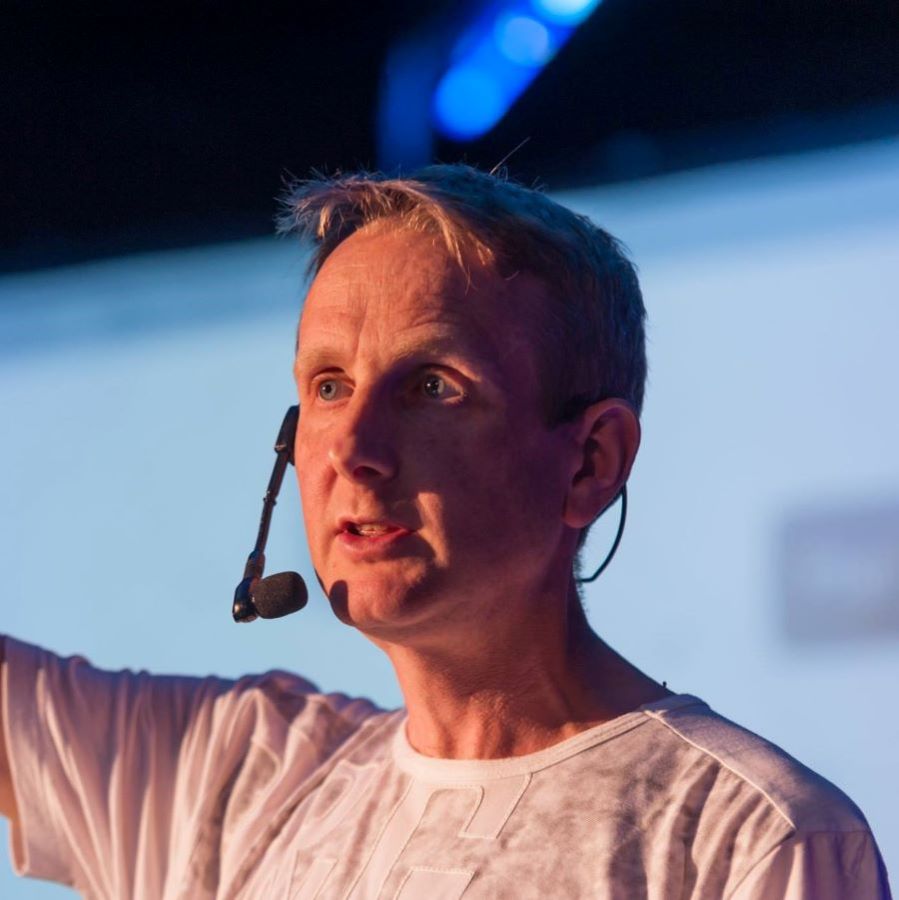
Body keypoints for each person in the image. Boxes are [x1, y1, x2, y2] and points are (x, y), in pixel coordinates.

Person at [0, 164, 891, 899]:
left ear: (591, 461)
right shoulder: (228, 782)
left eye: (432, 387)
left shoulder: (748, 839)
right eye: (329, 386)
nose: (352, 450)